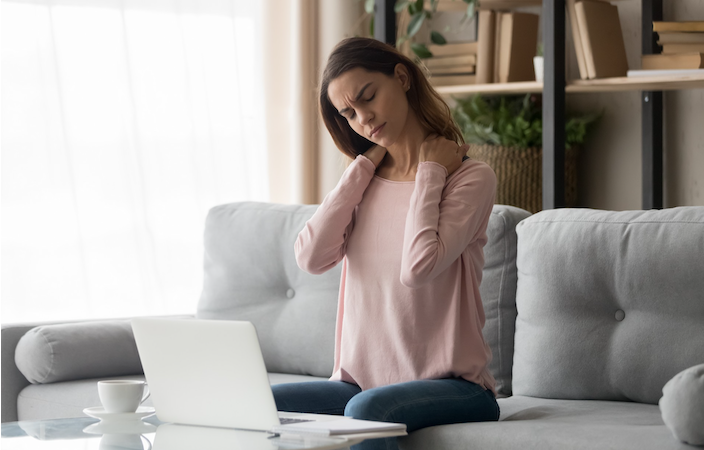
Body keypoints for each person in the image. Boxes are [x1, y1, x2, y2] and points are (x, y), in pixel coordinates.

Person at [272, 36, 499, 450]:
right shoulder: (363, 182)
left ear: (401, 77)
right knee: (256, 404)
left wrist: (430, 171)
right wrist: (361, 169)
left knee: (366, 413)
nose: (363, 118)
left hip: (454, 387)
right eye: (348, 113)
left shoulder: (470, 178)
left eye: (368, 97)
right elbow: (311, 257)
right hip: (360, 384)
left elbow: (418, 268)